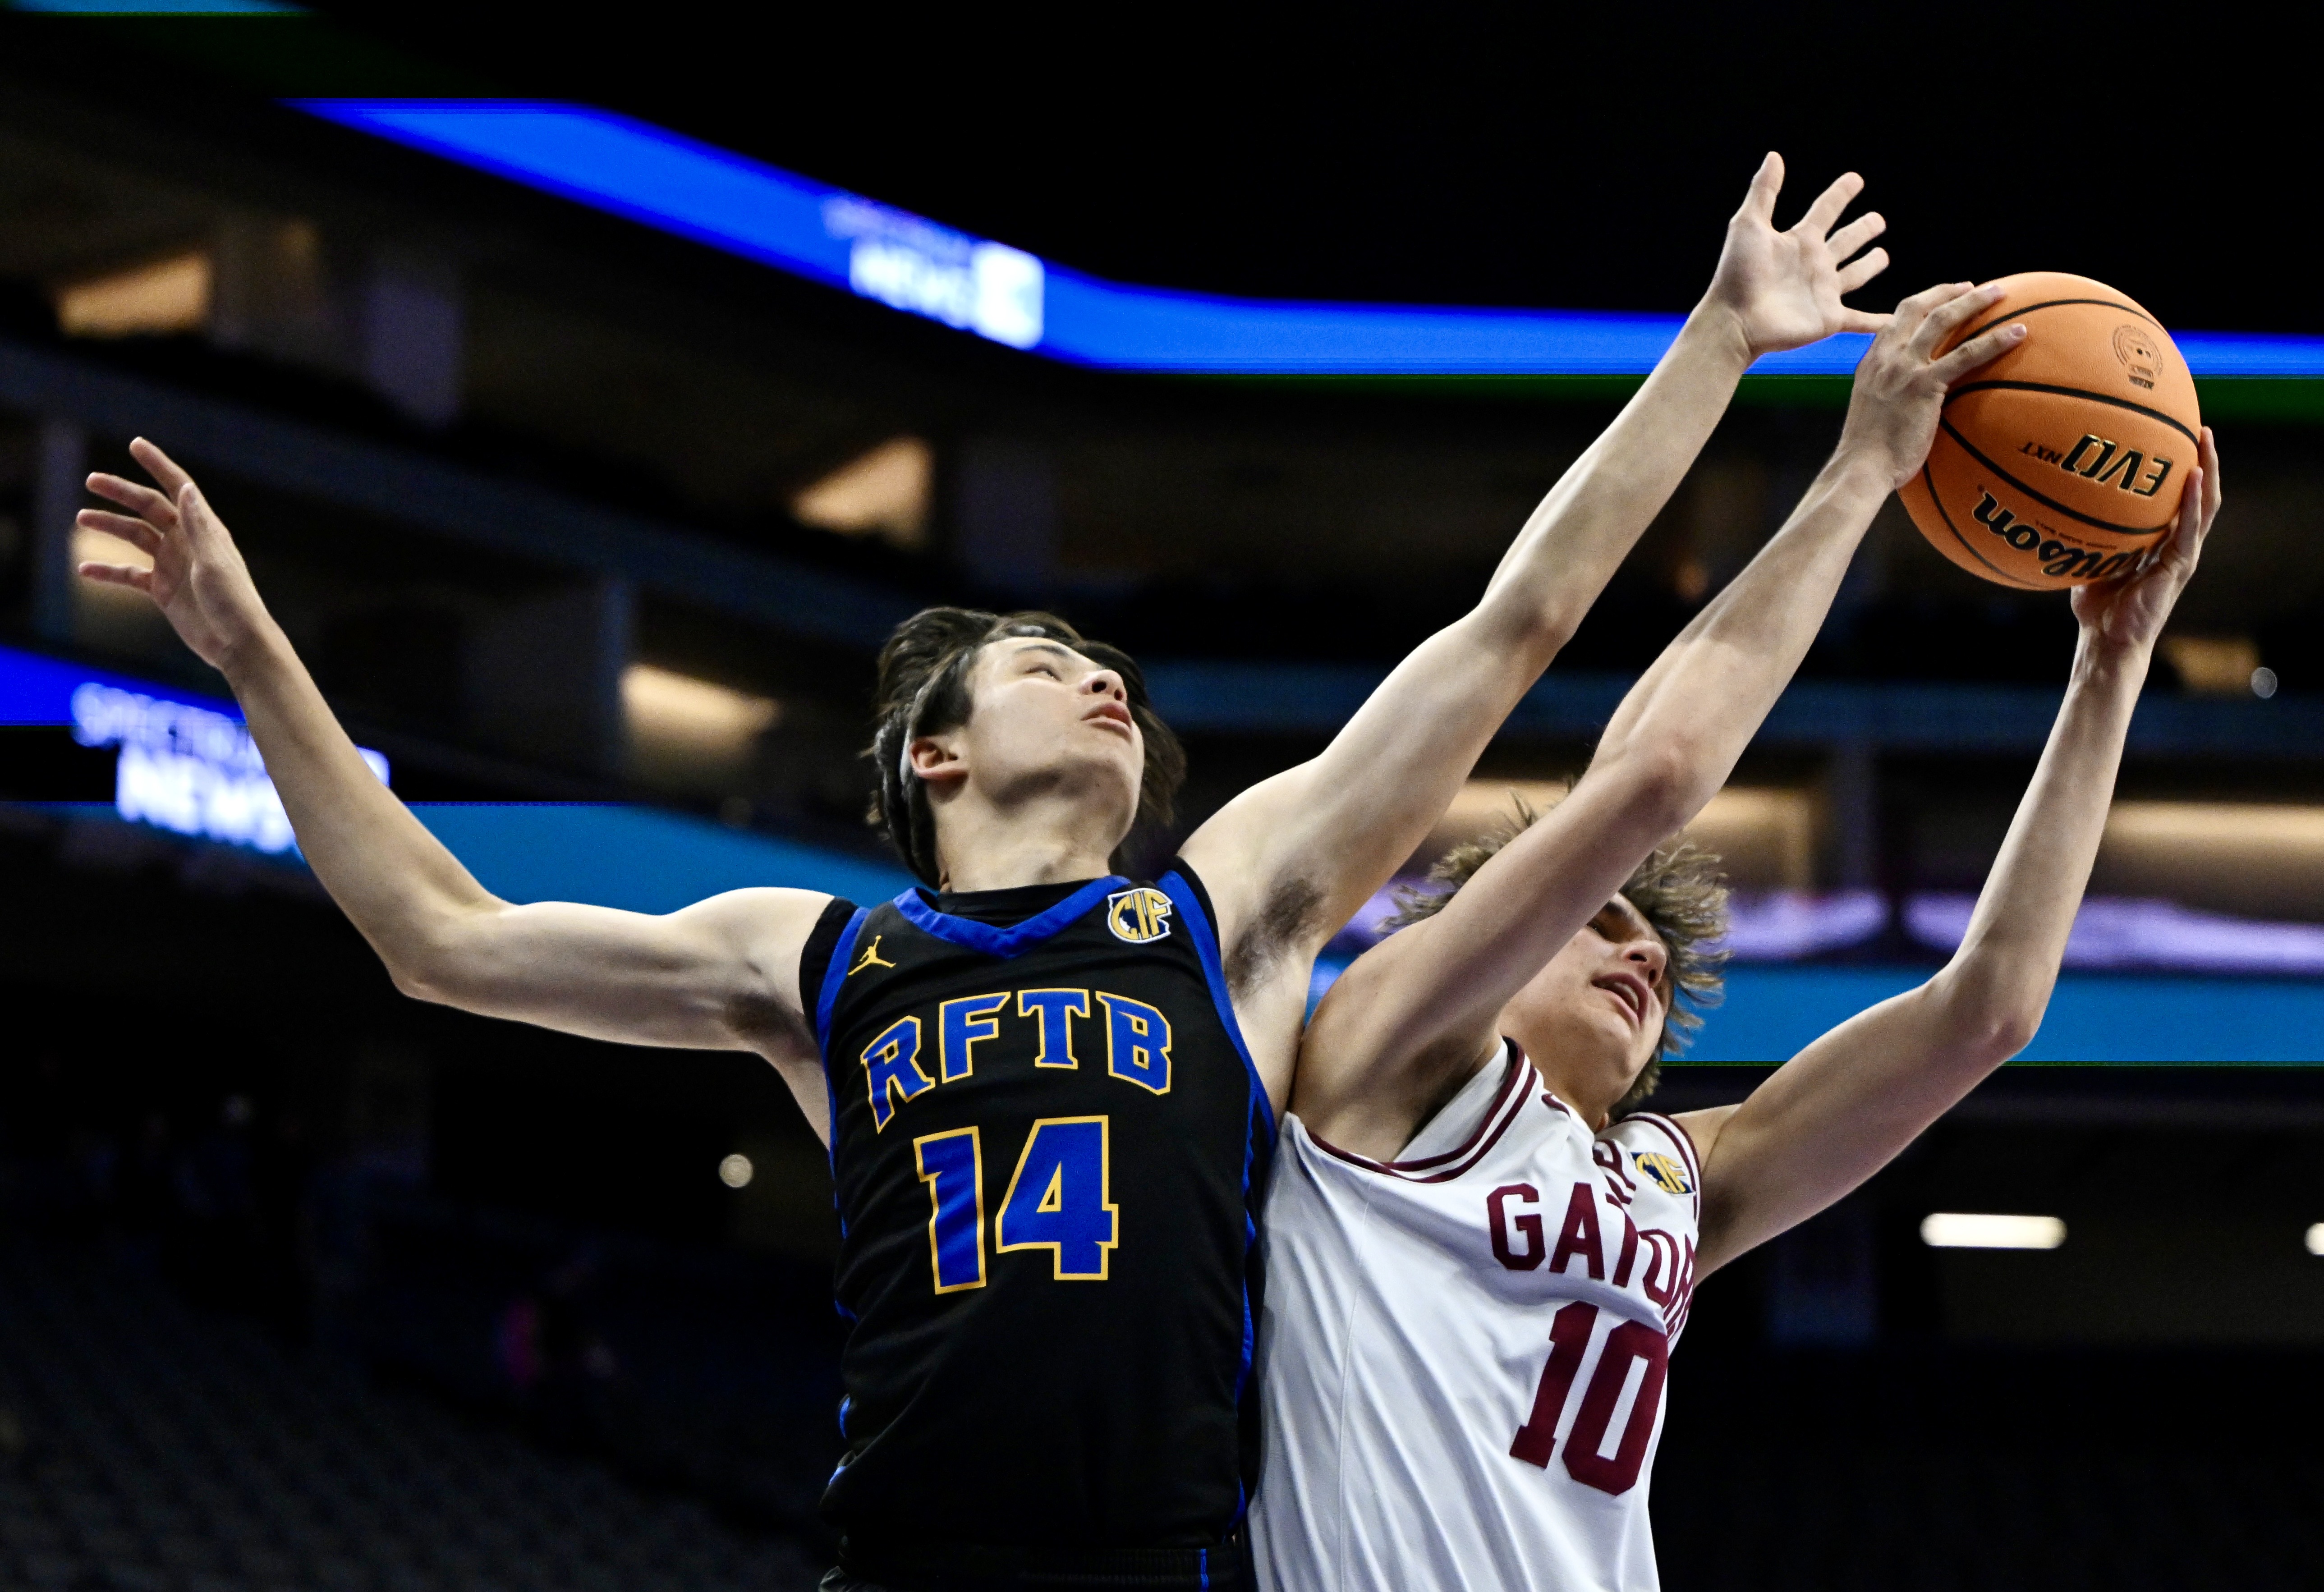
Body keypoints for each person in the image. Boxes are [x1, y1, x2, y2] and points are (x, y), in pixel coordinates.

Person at [76, 156, 1888, 1592]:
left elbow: (1521, 622)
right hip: (905, 1562)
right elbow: (435, 932)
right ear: (929, 752)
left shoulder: (1223, 906)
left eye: (1104, 664)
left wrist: (1716, 343)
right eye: (1037, 659)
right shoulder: (819, 960)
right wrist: (248, 651)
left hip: (1165, 1566)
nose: (1098, 671)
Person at [1250, 285, 2224, 1591]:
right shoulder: (1378, 1046)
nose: (1640, 955)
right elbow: (1651, 773)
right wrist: (1860, 467)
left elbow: (1987, 1008)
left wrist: (2109, 664)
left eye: (1651, 952)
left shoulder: (1667, 1180)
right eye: (1598, 920)